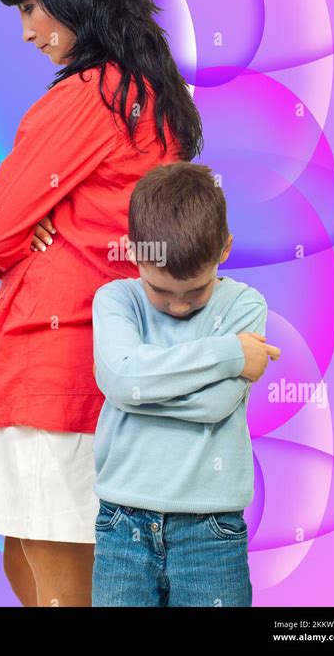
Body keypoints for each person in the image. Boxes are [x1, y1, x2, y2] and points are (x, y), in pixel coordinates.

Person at [0, 0, 204, 607]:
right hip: (97, 358)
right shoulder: (151, 95)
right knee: (39, 563)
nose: (27, 31)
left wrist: (30, 224)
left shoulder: (89, 96)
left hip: (54, 363)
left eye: (33, 8)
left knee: (62, 576)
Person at [91, 162, 281, 607]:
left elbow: (216, 403)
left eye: (195, 293)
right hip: (123, 525)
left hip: (210, 532)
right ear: (133, 252)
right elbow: (121, 380)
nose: (178, 308)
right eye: (161, 291)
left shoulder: (244, 304)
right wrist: (230, 354)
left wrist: (136, 388)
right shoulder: (116, 300)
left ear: (225, 249)